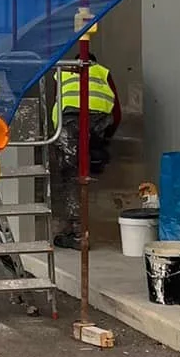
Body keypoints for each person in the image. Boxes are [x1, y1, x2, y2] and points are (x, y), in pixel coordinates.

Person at [49, 54, 119, 247]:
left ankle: (79, 233)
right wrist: (105, 139)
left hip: (70, 124)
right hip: (98, 123)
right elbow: (117, 112)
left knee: (70, 174)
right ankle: (81, 225)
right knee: (86, 166)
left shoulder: (63, 72)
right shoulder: (103, 72)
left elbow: (57, 101)